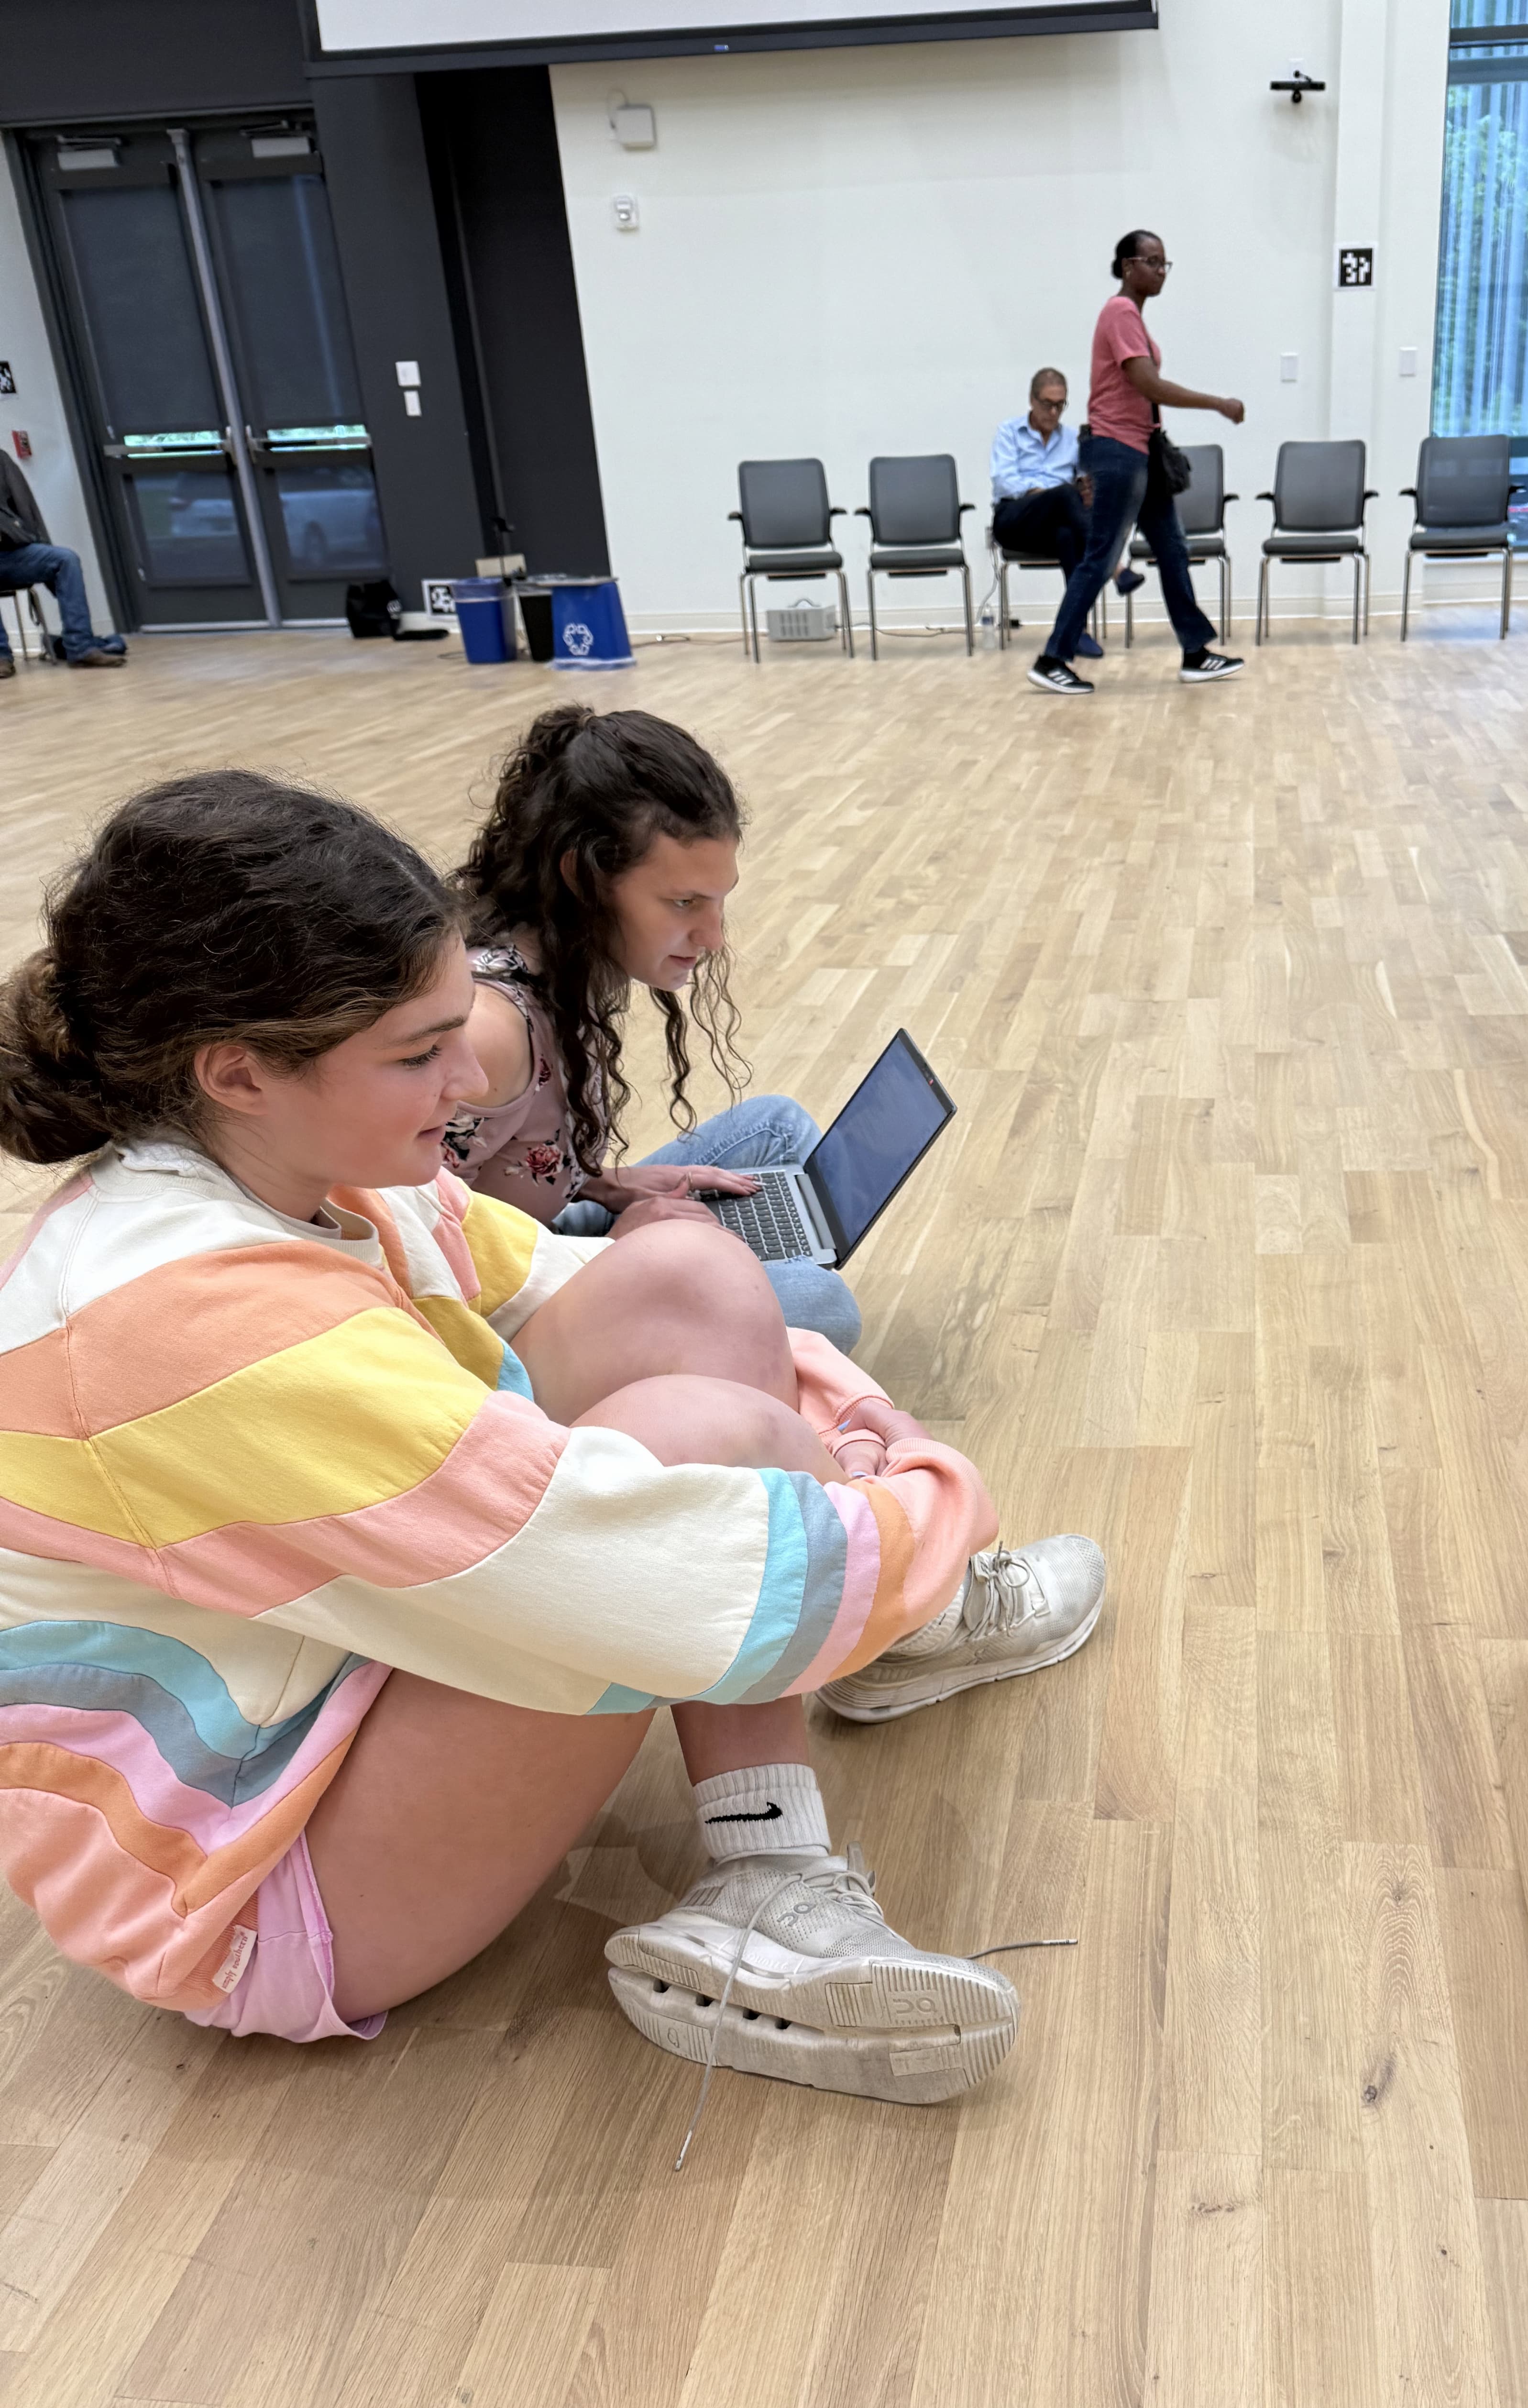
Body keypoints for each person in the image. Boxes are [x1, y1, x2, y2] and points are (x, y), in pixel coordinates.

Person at [0, 770, 1107, 2098]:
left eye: (454, 1026)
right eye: (419, 1054)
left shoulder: (314, 1169)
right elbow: (619, 1559)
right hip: (244, 1891)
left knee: (686, 1270)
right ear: (236, 1071)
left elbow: (621, 1298)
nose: (470, 1080)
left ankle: (785, 1818)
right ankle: (837, 1714)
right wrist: (920, 1508)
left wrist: (852, 1470)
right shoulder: (187, 1322)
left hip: (326, 1675)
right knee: (702, 1456)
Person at [443, 704, 862, 1353]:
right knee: (822, 1305)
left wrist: (603, 1182)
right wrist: (615, 1259)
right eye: (683, 903)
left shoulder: (567, 952)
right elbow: (418, 1255)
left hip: (548, 1228)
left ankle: (739, 1280)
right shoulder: (490, 1030)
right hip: (509, 1309)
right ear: (584, 878)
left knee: (776, 1127)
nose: (713, 937)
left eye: (719, 900)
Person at [1030, 231, 1247, 698]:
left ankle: (1195, 652)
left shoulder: (1134, 318)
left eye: (1166, 263)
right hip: (1116, 451)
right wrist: (1217, 403)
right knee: (1102, 557)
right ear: (1129, 266)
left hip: (1140, 450)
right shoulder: (1120, 312)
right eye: (1152, 262)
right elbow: (1147, 384)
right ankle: (1052, 658)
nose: (1161, 270)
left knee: (1173, 548)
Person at [989, 369, 1144, 663]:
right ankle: (1115, 566)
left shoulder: (1073, 440)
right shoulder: (1009, 432)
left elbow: (1087, 482)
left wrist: (1090, 489)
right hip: (1015, 520)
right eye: (1047, 403)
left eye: (1060, 405)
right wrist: (1046, 494)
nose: (1053, 411)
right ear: (1032, 400)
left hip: (1055, 524)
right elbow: (1004, 482)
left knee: (1068, 534)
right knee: (1062, 494)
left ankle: (1075, 632)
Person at [0, 446, 125, 675]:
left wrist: (36, 541)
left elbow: (27, 510)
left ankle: (81, 647)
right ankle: (1, 657)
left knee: (64, 559)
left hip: (11, 553)